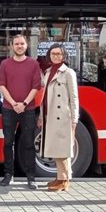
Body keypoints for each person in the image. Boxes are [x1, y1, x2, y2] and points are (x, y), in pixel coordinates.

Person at [0, 34, 42, 189]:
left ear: (26, 45)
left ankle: (31, 178)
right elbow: (2, 85)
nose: (19, 46)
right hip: (9, 109)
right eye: (16, 44)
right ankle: (8, 175)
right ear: (11, 46)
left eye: (22, 43)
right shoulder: (4, 64)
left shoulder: (33, 64)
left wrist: (23, 103)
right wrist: (13, 103)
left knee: (29, 143)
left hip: (28, 109)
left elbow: (36, 86)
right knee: (8, 143)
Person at [38, 44, 79, 192]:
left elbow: (74, 98)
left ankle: (65, 180)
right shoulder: (48, 71)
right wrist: (42, 116)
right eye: (53, 54)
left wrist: (75, 119)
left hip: (63, 117)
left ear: (64, 56)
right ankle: (59, 177)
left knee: (63, 149)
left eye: (59, 54)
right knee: (56, 148)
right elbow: (44, 97)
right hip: (50, 115)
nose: (56, 56)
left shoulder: (68, 73)